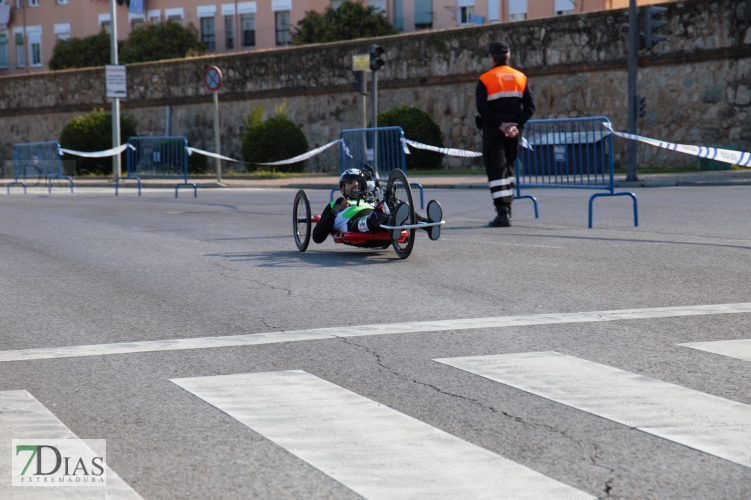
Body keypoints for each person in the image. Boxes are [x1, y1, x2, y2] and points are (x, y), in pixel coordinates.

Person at [476, 40, 536, 227]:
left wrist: (501, 125)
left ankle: (502, 214)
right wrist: (515, 125)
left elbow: (482, 109)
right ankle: (508, 210)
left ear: (491, 58)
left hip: (494, 130)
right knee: (508, 169)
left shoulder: (485, 79)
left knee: (496, 170)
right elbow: (530, 107)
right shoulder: (520, 77)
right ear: (508, 57)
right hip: (514, 131)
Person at [312, 167, 443, 244]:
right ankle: (392, 222)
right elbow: (317, 237)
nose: (356, 184)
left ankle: (428, 225)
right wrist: (336, 210)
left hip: (379, 218)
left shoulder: (369, 198)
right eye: (351, 182)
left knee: (396, 204)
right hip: (354, 224)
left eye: (358, 181)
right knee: (375, 216)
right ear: (342, 189)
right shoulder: (334, 205)